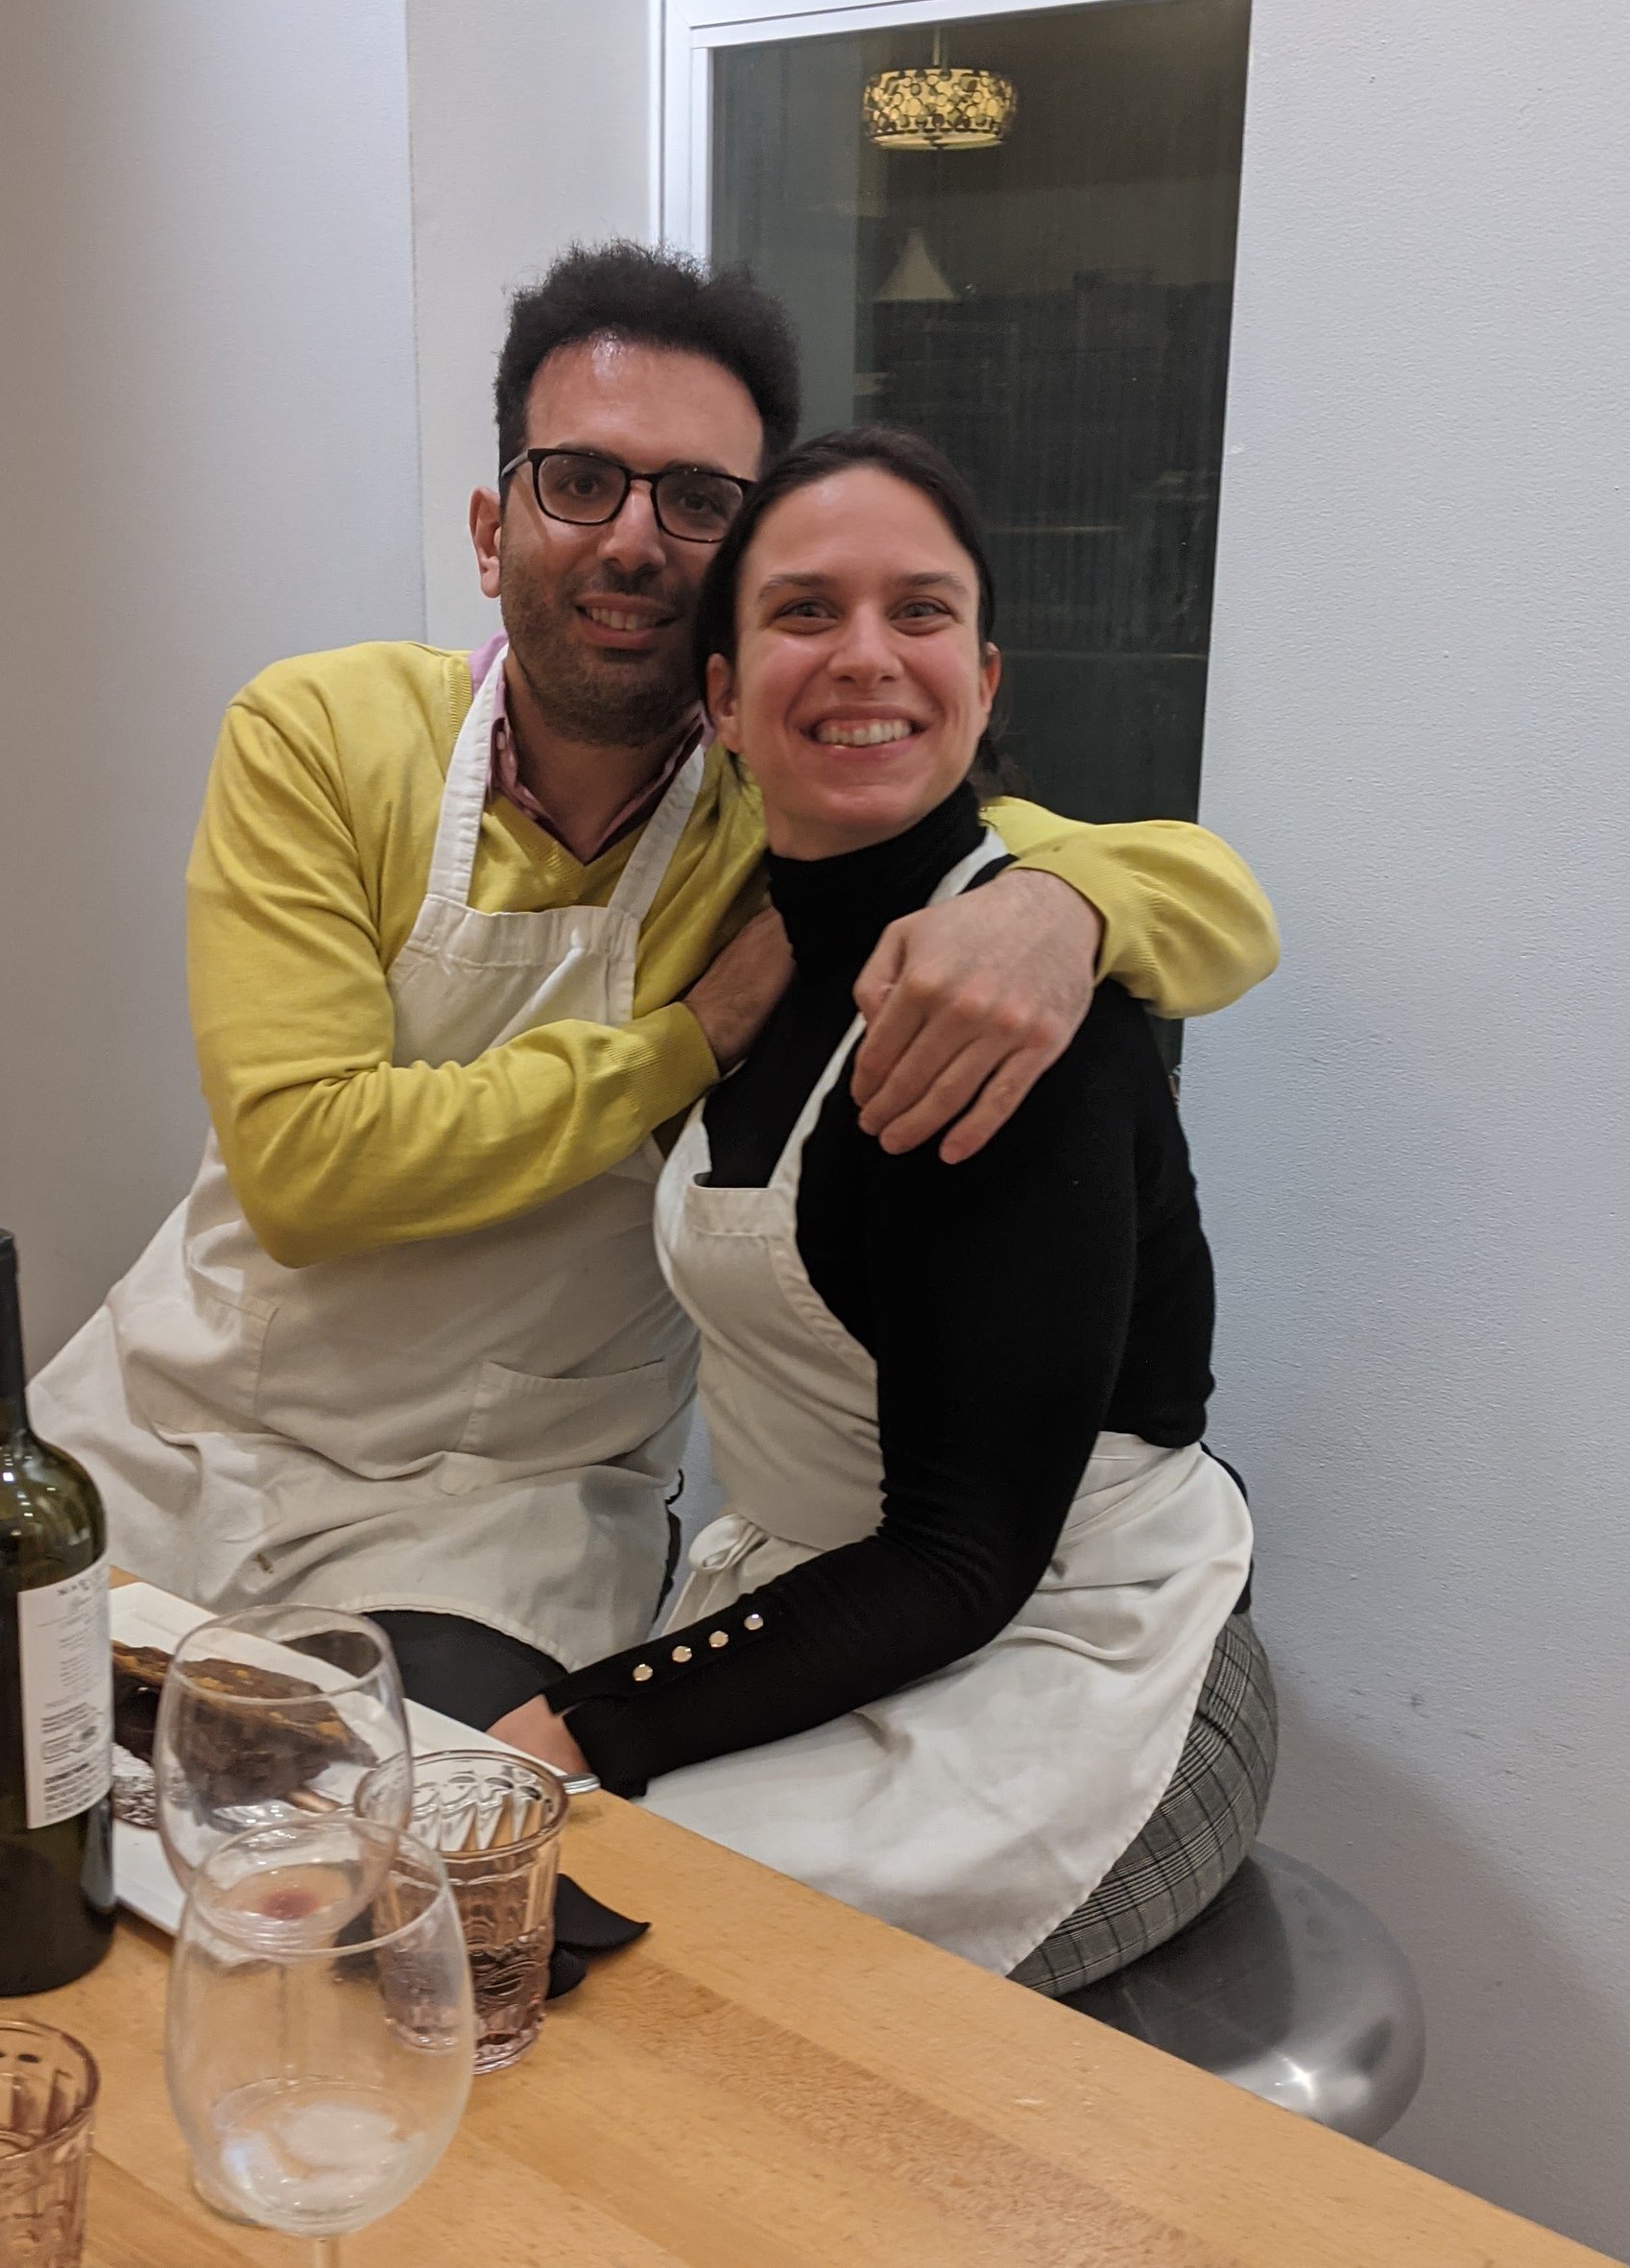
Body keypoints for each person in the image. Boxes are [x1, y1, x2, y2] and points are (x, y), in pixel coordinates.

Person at [32, 246, 1279, 1733]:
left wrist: (1063, 906)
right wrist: (687, 1037)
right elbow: (304, 1169)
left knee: (411, 1834)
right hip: (184, 1424)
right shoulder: (325, 734)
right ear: (492, 529)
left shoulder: (786, 805)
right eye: (580, 482)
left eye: (697, 501)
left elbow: (1224, 905)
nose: (634, 540)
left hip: (505, 1505)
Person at [492, 424, 1267, 1993]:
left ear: (983, 680)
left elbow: (965, 1557)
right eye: (804, 610)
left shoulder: (1018, 1020)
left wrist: (579, 1722)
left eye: (920, 611)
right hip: (855, 1613)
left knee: (576, 1951)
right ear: (721, 698)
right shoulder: (766, 949)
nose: (865, 655)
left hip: (1073, 1670)